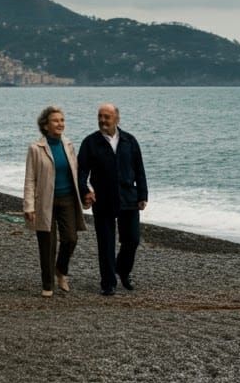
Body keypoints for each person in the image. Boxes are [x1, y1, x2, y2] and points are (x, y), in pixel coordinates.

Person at [77, 102, 148, 296]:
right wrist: (85, 191)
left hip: (128, 198)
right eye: (100, 116)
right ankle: (108, 283)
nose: (102, 120)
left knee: (132, 239)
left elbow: (139, 170)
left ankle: (123, 271)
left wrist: (143, 195)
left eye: (106, 117)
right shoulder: (90, 142)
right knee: (106, 243)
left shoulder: (130, 141)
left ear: (116, 118)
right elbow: (81, 172)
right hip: (103, 198)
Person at [23, 106, 86, 297]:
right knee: (47, 244)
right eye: (56, 121)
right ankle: (48, 285)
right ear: (45, 125)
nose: (60, 124)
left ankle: (61, 270)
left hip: (67, 199)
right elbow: (30, 178)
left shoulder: (68, 145)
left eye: (62, 120)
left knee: (71, 239)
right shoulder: (36, 148)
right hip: (45, 201)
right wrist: (28, 205)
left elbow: (76, 173)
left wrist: (86, 193)